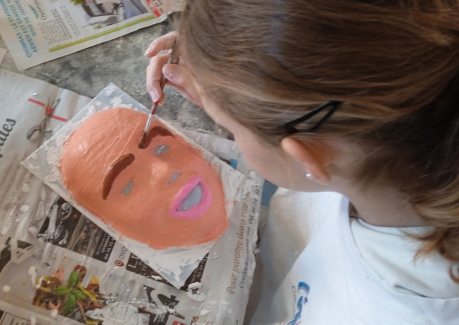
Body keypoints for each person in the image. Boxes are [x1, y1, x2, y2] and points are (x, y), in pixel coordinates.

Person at [144, 0, 459, 324]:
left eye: (232, 130)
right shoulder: (394, 150)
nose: (231, 134)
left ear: (310, 157)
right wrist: (225, 80)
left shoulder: (391, 313)